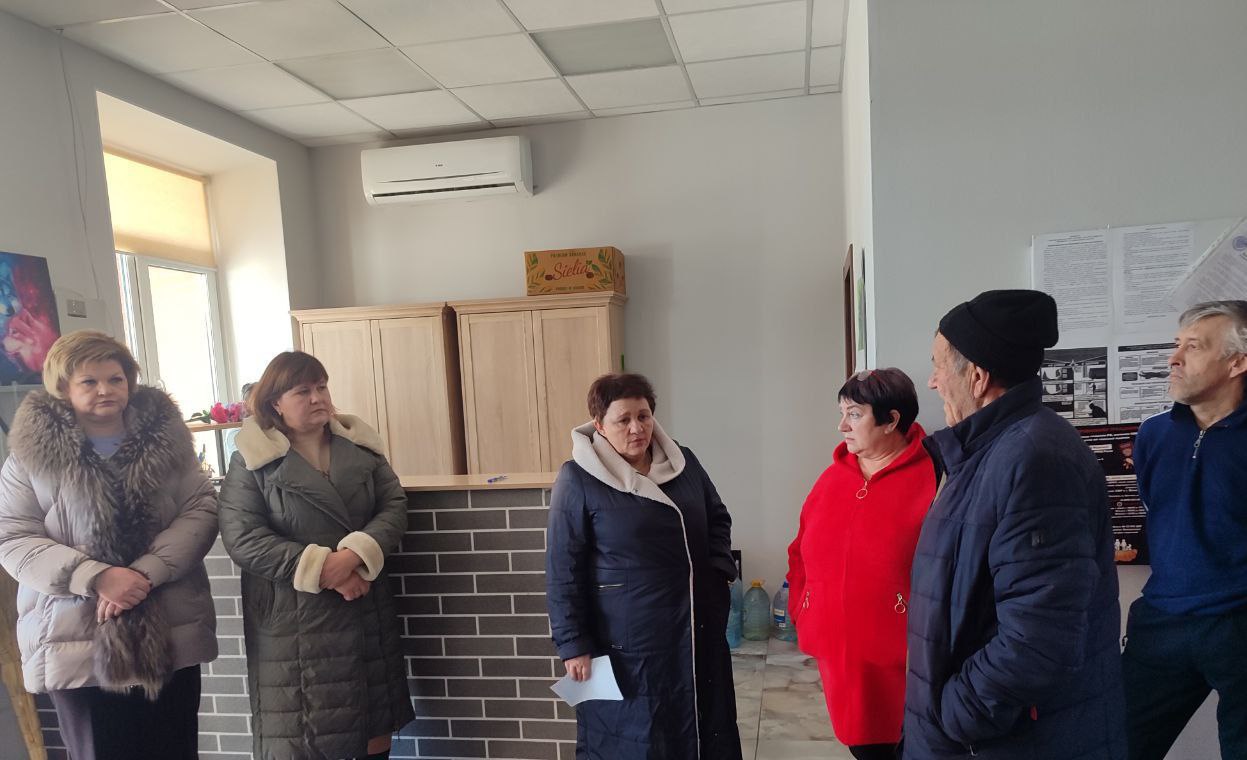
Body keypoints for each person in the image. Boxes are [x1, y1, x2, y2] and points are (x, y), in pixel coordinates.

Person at [905, 290, 1125, 760]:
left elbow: (1038, 638)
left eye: (939, 366)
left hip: (1001, 742)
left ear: (977, 377)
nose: (933, 380)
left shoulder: (1033, 458)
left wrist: (957, 715)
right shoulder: (990, 451)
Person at [0, 330, 218, 759]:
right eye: (90, 381)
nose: (105, 390)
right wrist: (96, 577)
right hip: (76, 639)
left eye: (115, 379)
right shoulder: (28, 456)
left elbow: (201, 509)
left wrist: (143, 575)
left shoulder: (168, 443)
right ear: (63, 387)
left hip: (169, 631)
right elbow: (13, 535)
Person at [218, 351, 412, 759]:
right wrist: (325, 569)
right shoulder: (253, 460)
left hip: (365, 608)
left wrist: (354, 555)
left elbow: (393, 506)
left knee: (373, 733)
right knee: (306, 736)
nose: (317, 398)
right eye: (302, 391)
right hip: (295, 621)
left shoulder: (361, 447)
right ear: (276, 402)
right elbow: (243, 537)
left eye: (321, 387)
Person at [546, 372, 742, 759]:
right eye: (623, 419)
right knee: (638, 738)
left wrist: (716, 575)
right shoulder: (579, 478)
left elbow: (718, 518)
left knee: (705, 728)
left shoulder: (683, 462)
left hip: (695, 628)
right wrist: (573, 644)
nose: (637, 428)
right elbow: (563, 570)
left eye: (644, 416)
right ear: (600, 425)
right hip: (627, 642)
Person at [786, 368, 934, 760]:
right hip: (839, 658)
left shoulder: (936, 479)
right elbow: (799, 552)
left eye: (854, 414)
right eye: (842, 413)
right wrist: (803, 608)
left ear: (891, 420)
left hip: (905, 665)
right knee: (859, 742)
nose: (842, 426)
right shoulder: (832, 479)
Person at [1122, 300, 1247, 760]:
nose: (1173, 358)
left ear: (1237, 362)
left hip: (1239, 624)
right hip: (1163, 620)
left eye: (1193, 347)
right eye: (1176, 344)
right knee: (1116, 745)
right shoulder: (1154, 434)